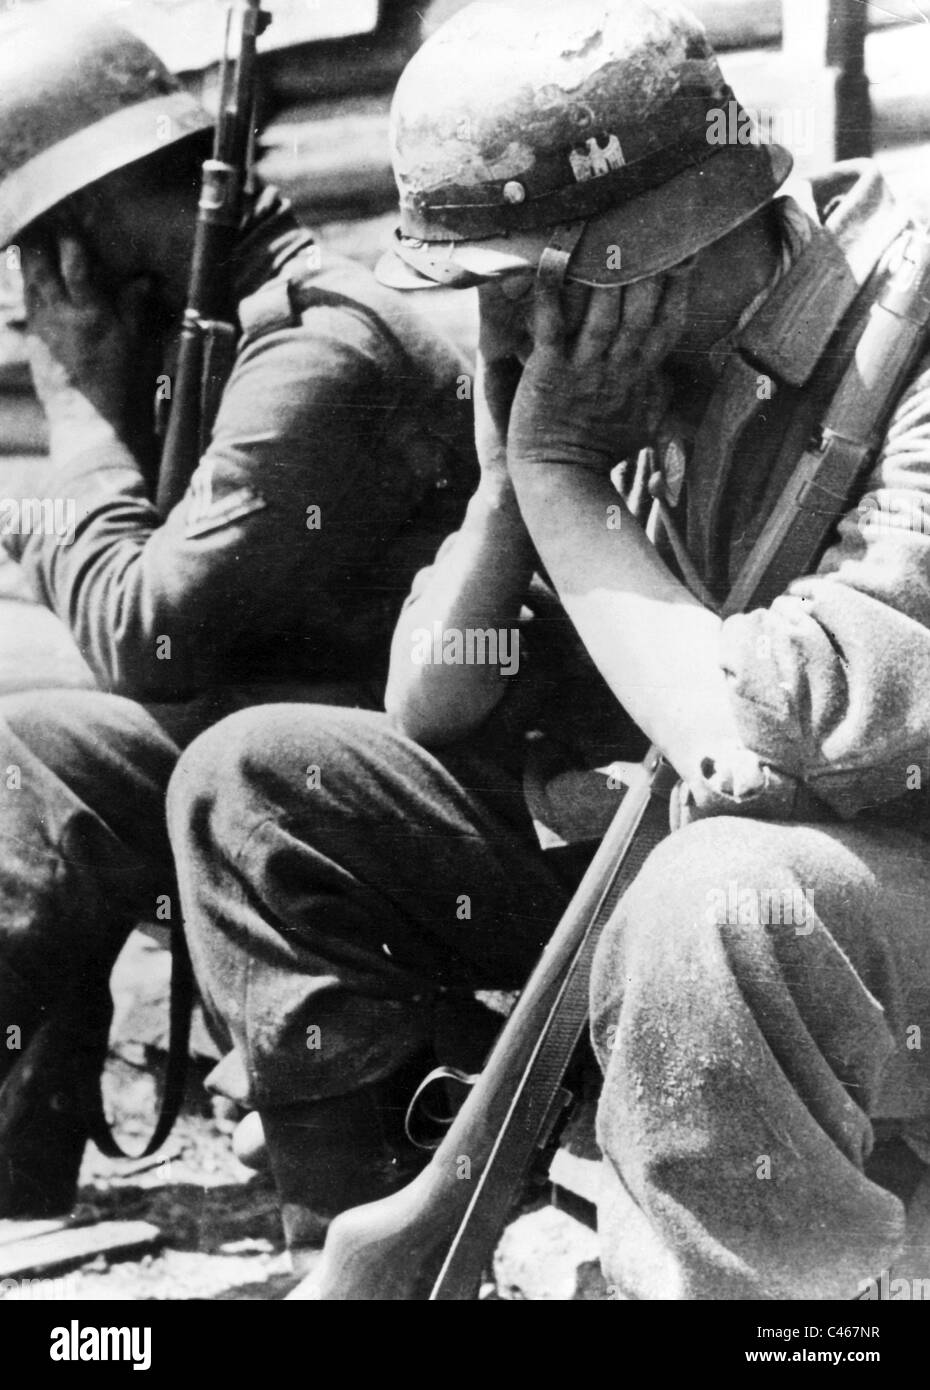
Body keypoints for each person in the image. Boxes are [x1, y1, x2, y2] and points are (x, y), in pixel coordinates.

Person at [167, 0, 930, 1297]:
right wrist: (506, 494)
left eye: (517, 283)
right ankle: (413, 1238)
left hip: (867, 890)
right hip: (689, 842)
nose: (502, 326)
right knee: (264, 782)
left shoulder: (903, 341)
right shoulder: (609, 365)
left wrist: (563, 471)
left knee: (715, 907)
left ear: (644, 255)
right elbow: (432, 701)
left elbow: (751, 728)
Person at [0, 3, 477, 1220]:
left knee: (94, 748)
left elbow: (147, 634)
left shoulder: (317, 355)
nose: (23, 298)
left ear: (72, 244)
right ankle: (15, 1158)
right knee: (29, 725)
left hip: (420, 787)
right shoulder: (218, 341)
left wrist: (73, 420)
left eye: (26, 256)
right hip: (317, 735)